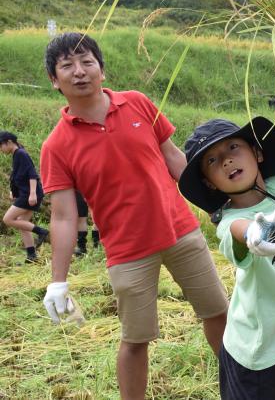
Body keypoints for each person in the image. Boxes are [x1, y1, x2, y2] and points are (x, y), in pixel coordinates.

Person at [39, 32, 229, 400]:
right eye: (67, 66)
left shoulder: (138, 104)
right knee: (136, 338)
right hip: (128, 250)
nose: (79, 72)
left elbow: (174, 158)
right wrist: (57, 281)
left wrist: (217, 205)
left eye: (87, 62)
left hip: (181, 231)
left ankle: (239, 388)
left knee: (218, 313)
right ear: (54, 80)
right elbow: (63, 217)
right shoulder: (56, 146)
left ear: (102, 70)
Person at [178, 32, 275, 400]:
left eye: (233, 148)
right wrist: (253, 235)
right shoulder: (229, 221)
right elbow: (240, 233)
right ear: (210, 184)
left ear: (257, 154)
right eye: (212, 161)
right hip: (252, 352)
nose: (226, 159)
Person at [1, 131, 49, 263]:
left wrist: (32, 193)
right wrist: (14, 192)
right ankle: (32, 256)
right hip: (26, 194)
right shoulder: (17, 154)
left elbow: (32, 174)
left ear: (9, 142)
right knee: (23, 224)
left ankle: (41, 232)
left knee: (8, 219)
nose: (1, 149)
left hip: (30, 195)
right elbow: (18, 177)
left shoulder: (21, 154)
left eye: (1, 146)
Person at [74, 191, 101, 256]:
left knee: (82, 218)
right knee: (95, 216)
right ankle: (96, 245)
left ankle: (82, 247)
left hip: (79, 188)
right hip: (92, 186)